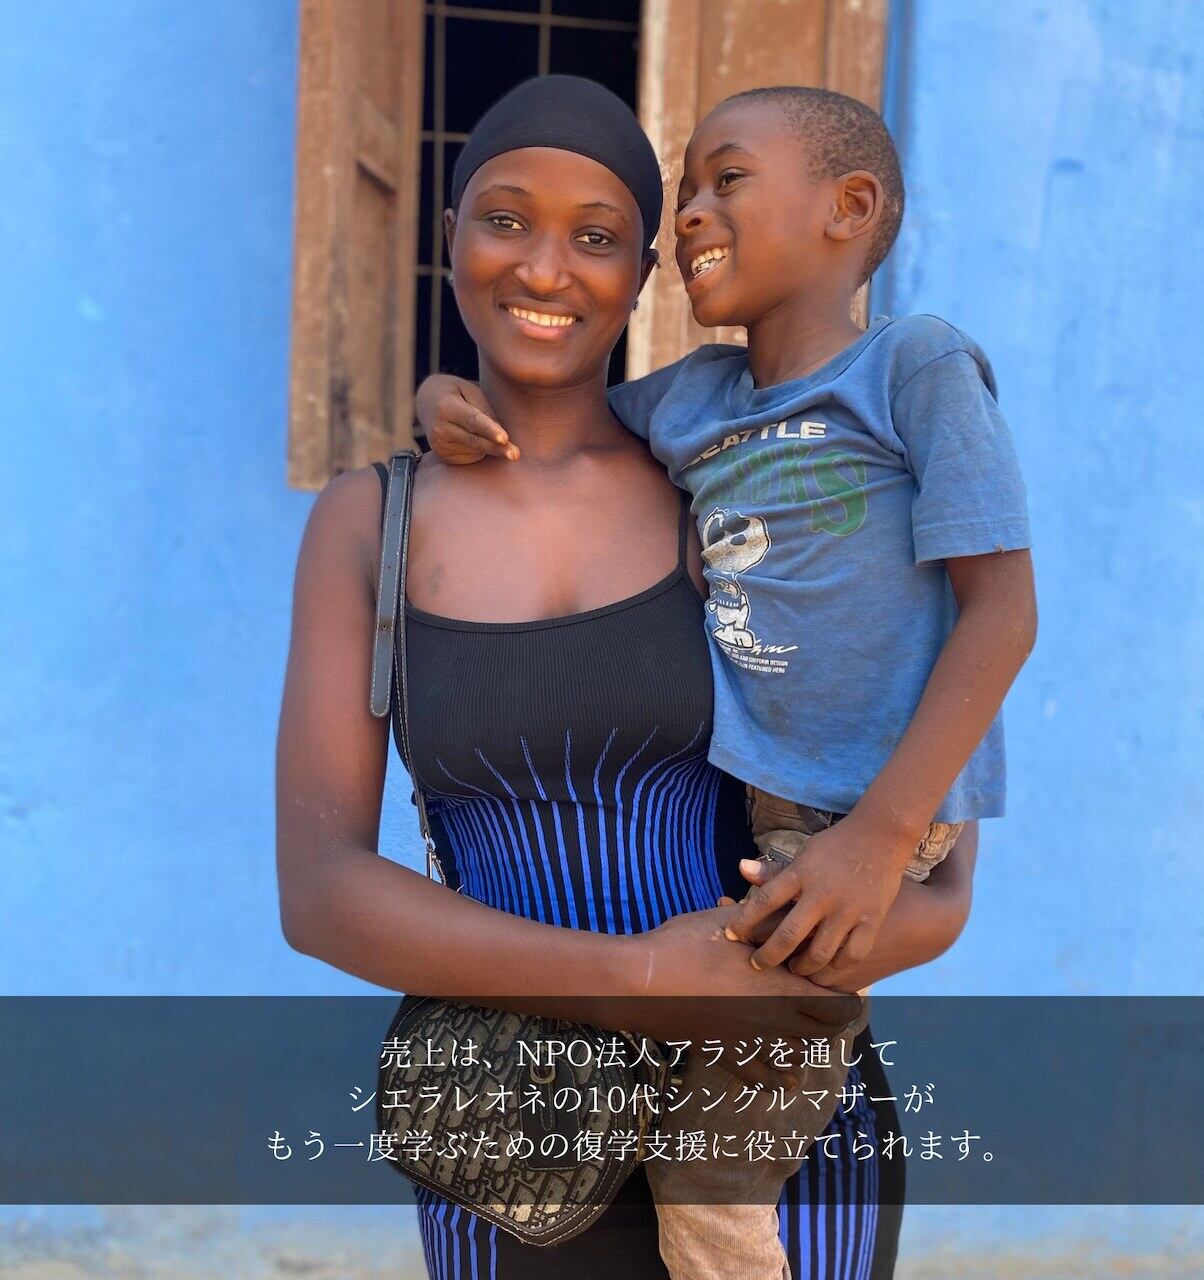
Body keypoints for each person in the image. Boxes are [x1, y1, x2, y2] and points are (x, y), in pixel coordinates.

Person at [277, 76, 980, 1280]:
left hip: (766, 1125)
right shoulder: (370, 524)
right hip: (512, 1144)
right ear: (447, 235)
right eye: (504, 219)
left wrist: (769, 965)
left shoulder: (722, 490)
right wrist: (640, 977)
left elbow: (940, 885)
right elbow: (321, 890)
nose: (544, 268)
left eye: (596, 236)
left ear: (643, 273)